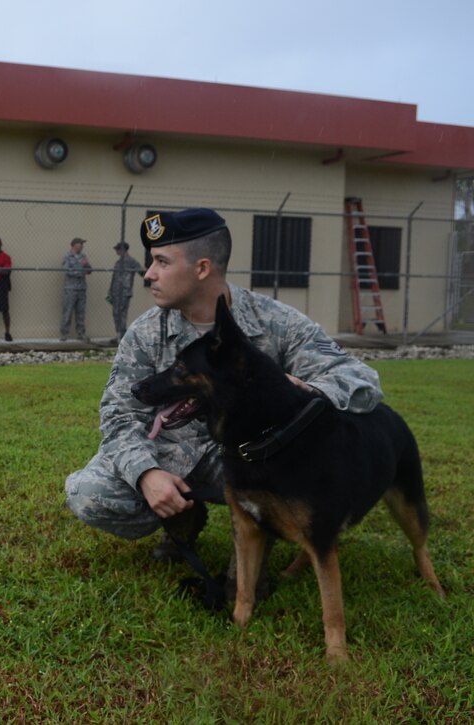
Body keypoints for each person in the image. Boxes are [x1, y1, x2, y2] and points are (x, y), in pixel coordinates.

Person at [64, 208, 383, 579]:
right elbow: (120, 413)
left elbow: (361, 381)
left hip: (251, 458)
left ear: (202, 268)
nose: (148, 274)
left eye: (162, 262)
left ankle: (260, 533)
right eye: (152, 262)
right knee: (89, 494)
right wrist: (146, 473)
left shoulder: (274, 322)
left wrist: (306, 390)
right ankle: (184, 518)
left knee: (295, 471)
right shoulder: (145, 332)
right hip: (171, 454)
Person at [106, 241, 146, 343]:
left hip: (124, 291)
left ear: (123, 250)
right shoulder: (118, 262)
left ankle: (122, 336)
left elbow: (142, 272)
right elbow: (114, 278)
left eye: (118, 249)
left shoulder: (131, 261)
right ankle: (119, 334)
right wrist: (110, 291)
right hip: (116, 291)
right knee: (116, 313)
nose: (116, 251)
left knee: (122, 314)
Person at [60, 237, 92, 341]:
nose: (82, 246)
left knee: (81, 312)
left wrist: (86, 266)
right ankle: (64, 333)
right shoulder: (67, 256)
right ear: (74, 245)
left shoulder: (83, 256)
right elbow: (67, 271)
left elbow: (89, 270)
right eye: (80, 244)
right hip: (71, 288)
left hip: (81, 288)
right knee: (68, 311)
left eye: (82, 244)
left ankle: (81, 333)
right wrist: (80, 272)